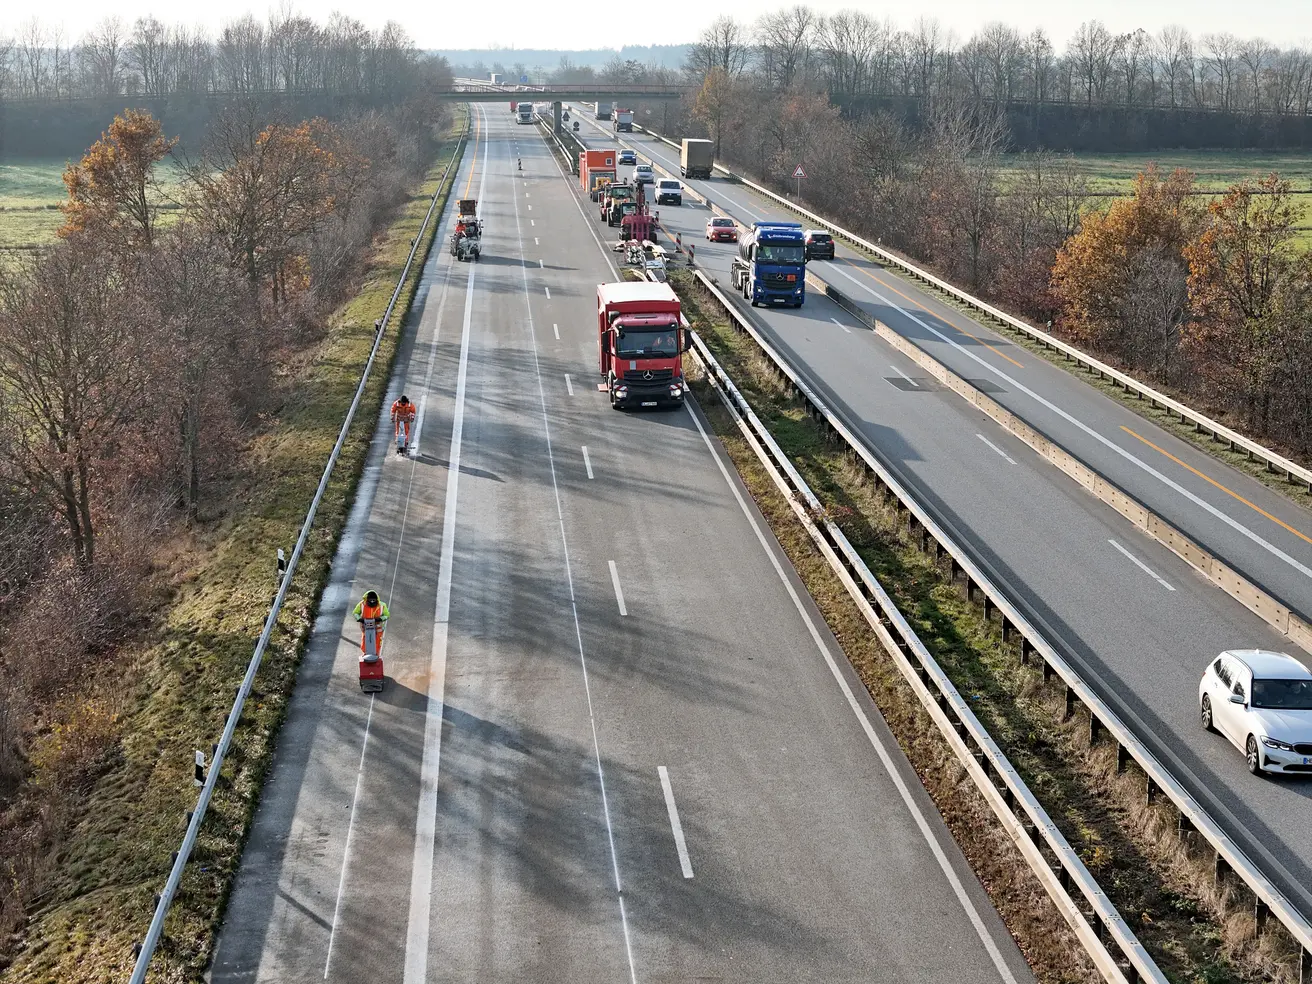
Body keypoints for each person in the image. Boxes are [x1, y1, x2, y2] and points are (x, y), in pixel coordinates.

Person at [353, 590, 389, 657]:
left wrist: (381, 618)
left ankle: (376, 655)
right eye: (370, 600)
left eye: (374, 600)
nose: (372, 602)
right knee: (365, 642)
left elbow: (387, 615)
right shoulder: (361, 604)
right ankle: (365, 654)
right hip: (366, 628)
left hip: (378, 628)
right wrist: (359, 619)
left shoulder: (382, 605)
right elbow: (355, 612)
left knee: (377, 643)